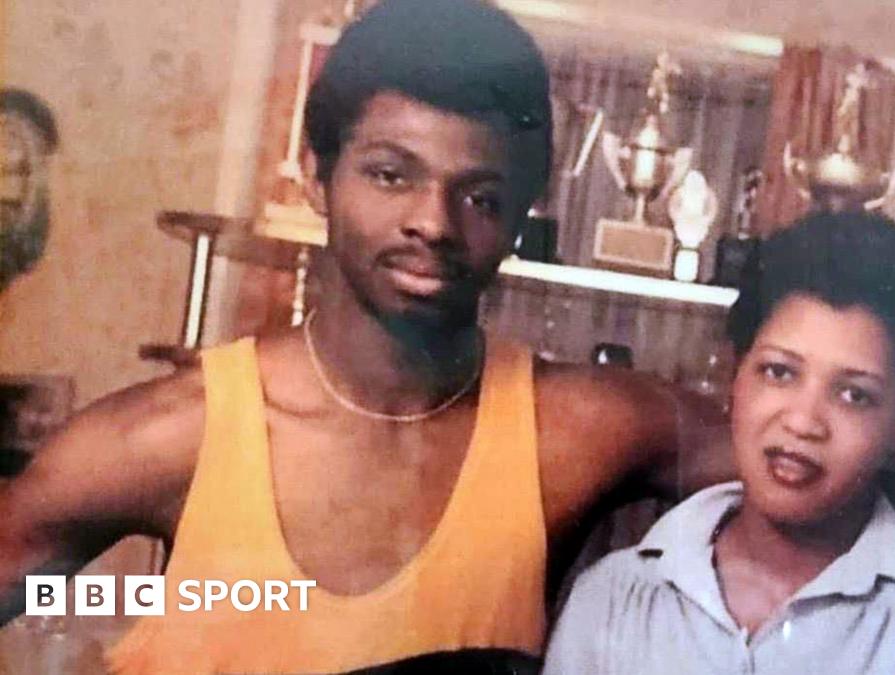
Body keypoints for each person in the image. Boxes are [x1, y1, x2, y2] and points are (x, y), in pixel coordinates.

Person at [0, 1, 726, 672]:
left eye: (479, 196)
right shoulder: (168, 437)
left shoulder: (575, 430)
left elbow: (818, 471)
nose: (434, 223)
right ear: (319, 177)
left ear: (519, 216)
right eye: (389, 174)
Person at [543, 211, 895, 674]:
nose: (803, 421)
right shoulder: (617, 596)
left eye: (855, 395)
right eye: (779, 372)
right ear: (735, 377)